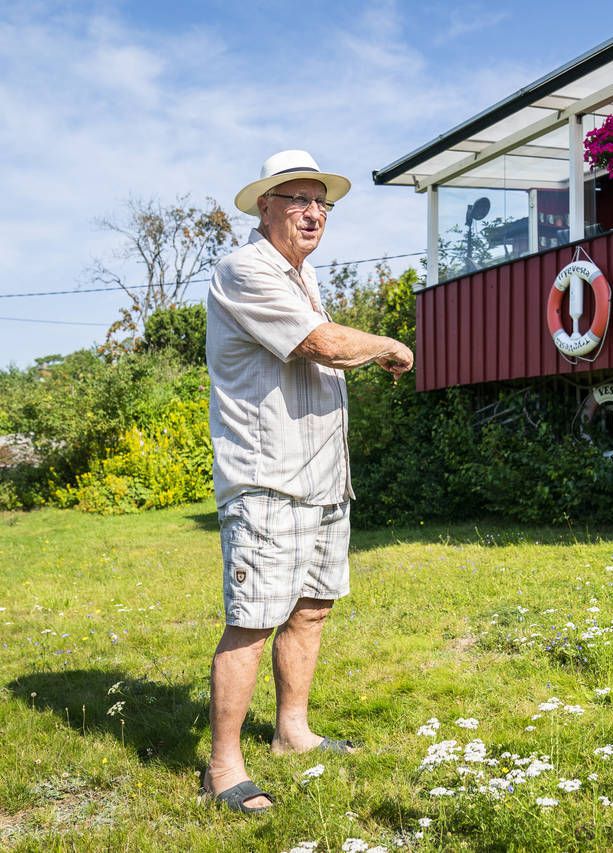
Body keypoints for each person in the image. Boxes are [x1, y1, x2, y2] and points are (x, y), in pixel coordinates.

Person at [200, 150, 414, 814]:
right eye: (296, 200)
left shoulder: (303, 274)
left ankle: (293, 732)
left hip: (322, 479)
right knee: (253, 619)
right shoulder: (245, 270)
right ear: (265, 208)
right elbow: (322, 345)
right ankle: (223, 766)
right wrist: (387, 344)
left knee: (313, 607)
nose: (313, 211)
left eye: (321, 201)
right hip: (268, 478)